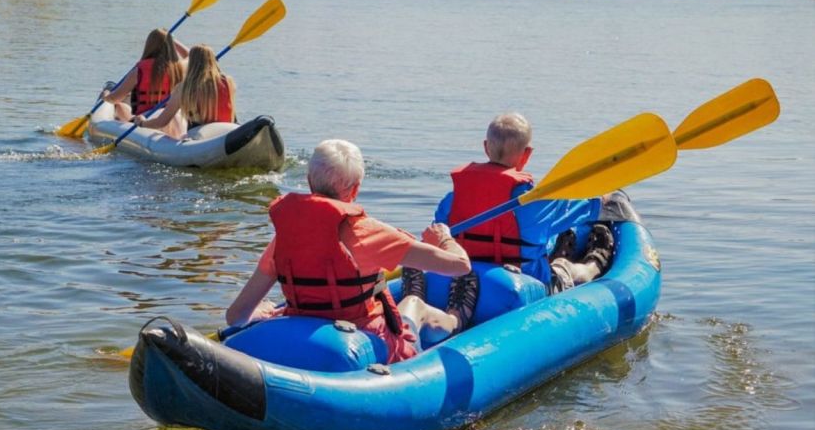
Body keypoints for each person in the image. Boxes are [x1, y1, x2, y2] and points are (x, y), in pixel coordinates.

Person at [225, 139, 472, 363]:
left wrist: (263, 312)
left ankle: (431, 302)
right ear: (355, 189)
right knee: (414, 304)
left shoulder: (284, 239)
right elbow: (461, 266)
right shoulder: (369, 232)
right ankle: (455, 320)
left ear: (310, 181)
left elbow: (235, 315)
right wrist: (444, 238)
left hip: (302, 325)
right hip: (365, 337)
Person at [401, 113, 615, 337]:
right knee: (560, 266)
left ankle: (561, 250)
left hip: (461, 279)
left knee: (542, 239)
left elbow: (438, 237)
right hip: (523, 282)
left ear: (486, 147)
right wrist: (604, 193)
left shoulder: (451, 200)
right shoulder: (537, 204)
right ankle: (587, 267)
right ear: (527, 154)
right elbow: (591, 205)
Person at [102, 28, 189, 139]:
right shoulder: (180, 67)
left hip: (146, 119)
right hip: (173, 117)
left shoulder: (139, 71)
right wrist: (172, 40)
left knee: (119, 106)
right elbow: (189, 54)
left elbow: (115, 99)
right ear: (171, 45)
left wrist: (106, 95)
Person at [132, 44, 237, 135]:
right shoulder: (228, 81)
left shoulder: (184, 88)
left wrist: (142, 123)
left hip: (199, 136)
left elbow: (162, 122)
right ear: (213, 61)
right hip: (228, 130)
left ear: (191, 63)